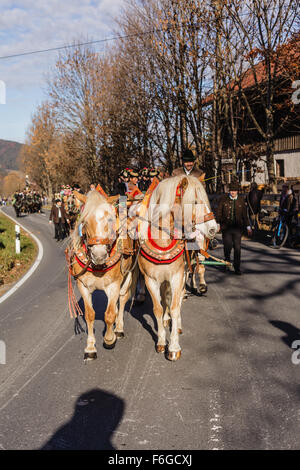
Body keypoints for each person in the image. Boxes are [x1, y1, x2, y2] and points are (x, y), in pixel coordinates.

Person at [216, 181, 252, 275]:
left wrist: (248, 226)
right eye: (231, 191)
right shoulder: (223, 199)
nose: (233, 192)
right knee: (227, 247)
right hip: (226, 228)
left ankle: (237, 267)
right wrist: (218, 224)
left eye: (235, 191)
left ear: (237, 191)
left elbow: (245, 215)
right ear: (229, 191)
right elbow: (219, 212)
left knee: (237, 248)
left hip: (237, 228)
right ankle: (226, 263)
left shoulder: (241, 200)